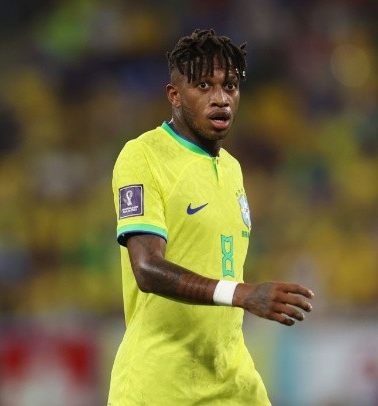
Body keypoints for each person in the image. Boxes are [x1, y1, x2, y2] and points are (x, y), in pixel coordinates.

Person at [108, 29, 314, 405]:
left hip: (231, 380)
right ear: (174, 96)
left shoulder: (232, 169)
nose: (220, 98)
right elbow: (147, 269)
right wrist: (242, 293)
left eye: (230, 86)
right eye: (204, 85)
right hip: (161, 385)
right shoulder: (144, 156)